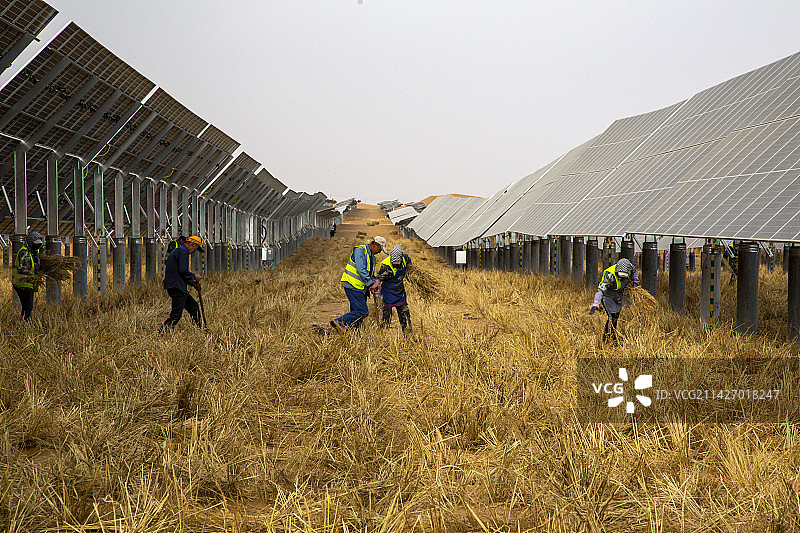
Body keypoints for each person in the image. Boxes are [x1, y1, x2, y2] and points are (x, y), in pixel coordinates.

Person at [331, 236, 388, 330]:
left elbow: (370, 274)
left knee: (356, 314)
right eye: (380, 249)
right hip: (353, 286)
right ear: (374, 245)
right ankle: (338, 322)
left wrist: (375, 285)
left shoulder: (372, 258)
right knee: (363, 311)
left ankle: (353, 333)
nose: (380, 252)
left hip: (361, 288)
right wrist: (370, 284)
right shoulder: (360, 251)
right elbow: (361, 270)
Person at [589, 257, 639, 343]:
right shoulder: (610, 275)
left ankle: (612, 336)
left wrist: (635, 280)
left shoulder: (629, 267)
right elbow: (601, 290)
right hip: (608, 296)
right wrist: (596, 304)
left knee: (616, 316)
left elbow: (634, 272)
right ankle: (607, 338)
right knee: (612, 316)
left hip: (619, 295)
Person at [160, 235, 203, 332]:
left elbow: (181, 272)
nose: (194, 252)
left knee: (193, 306)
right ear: (192, 244)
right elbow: (183, 270)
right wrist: (194, 277)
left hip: (176, 285)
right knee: (176, 314)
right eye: (195, 249)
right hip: (177, 286)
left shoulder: (179, 250)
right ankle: (162, 333)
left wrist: (192, 282)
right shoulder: (183, 251)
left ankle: (200, 330)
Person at [378, 245, 412, 333]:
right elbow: (378, 280)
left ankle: (408, 334)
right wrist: (376, 289)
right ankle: (384, 334)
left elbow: (411, 268)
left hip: (400, 291)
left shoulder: (405, 259)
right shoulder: (385, 266)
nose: (396, 263)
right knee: (386, 316)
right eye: (394, 262)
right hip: (388, 292)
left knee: (405, 314)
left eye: (398, 262)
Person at [11, 232, 43, 321]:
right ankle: (26, 322)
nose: (37, 245)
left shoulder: (34, 252)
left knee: (26, 306)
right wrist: (33, 276)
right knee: (28, 306)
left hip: (28, 284)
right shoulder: (24, 252)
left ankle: (24, 322)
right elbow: (22, 268)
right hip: (22, 284)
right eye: (36, 243)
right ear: (30, 242)